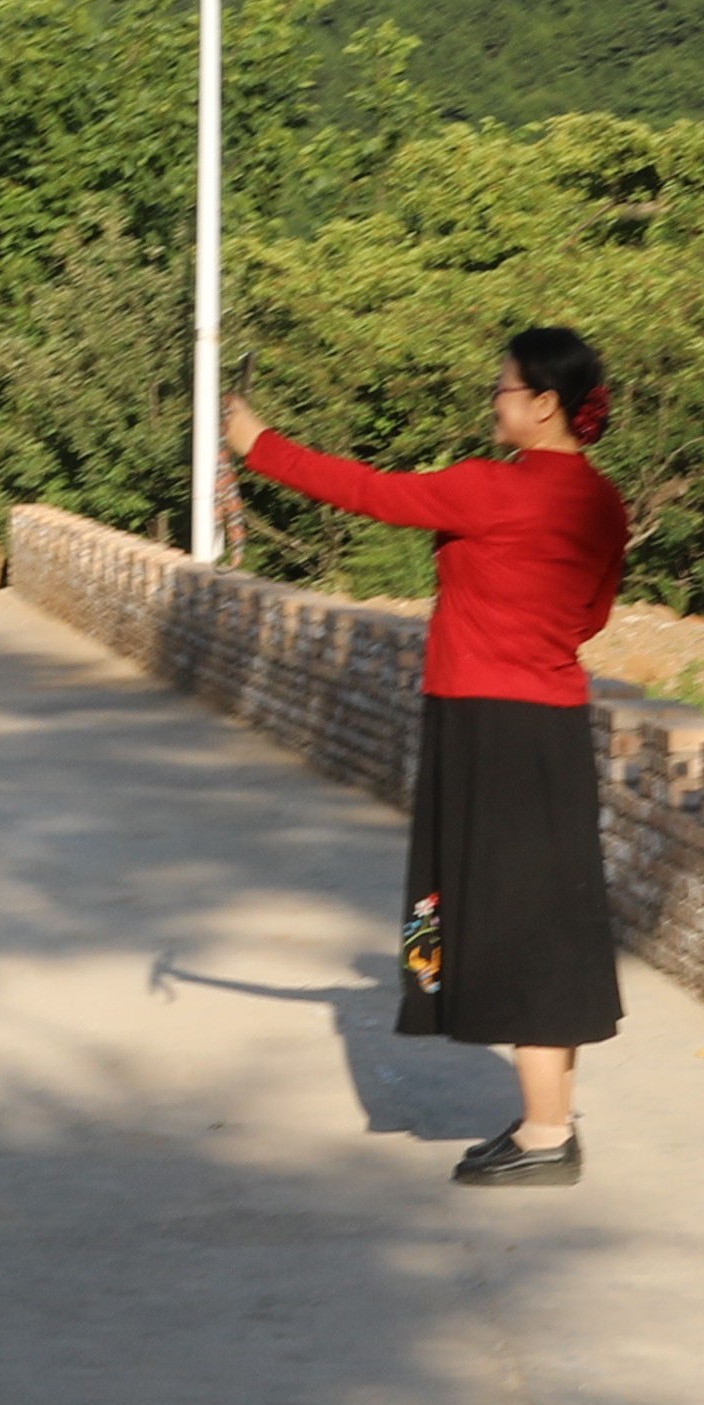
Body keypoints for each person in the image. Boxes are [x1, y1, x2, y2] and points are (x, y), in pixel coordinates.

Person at [215, 328, 631, 1184]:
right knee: (535, 916)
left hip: (487, 722)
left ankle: (548, 1137)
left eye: (504, 388)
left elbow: (368, 492)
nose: (495, 399)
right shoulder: (602, 501)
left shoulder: (490, 492)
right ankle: (545, 1119)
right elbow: (591, 615)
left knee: (496, 920)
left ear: (544, 403)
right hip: (547, 725)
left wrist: (260, 447)